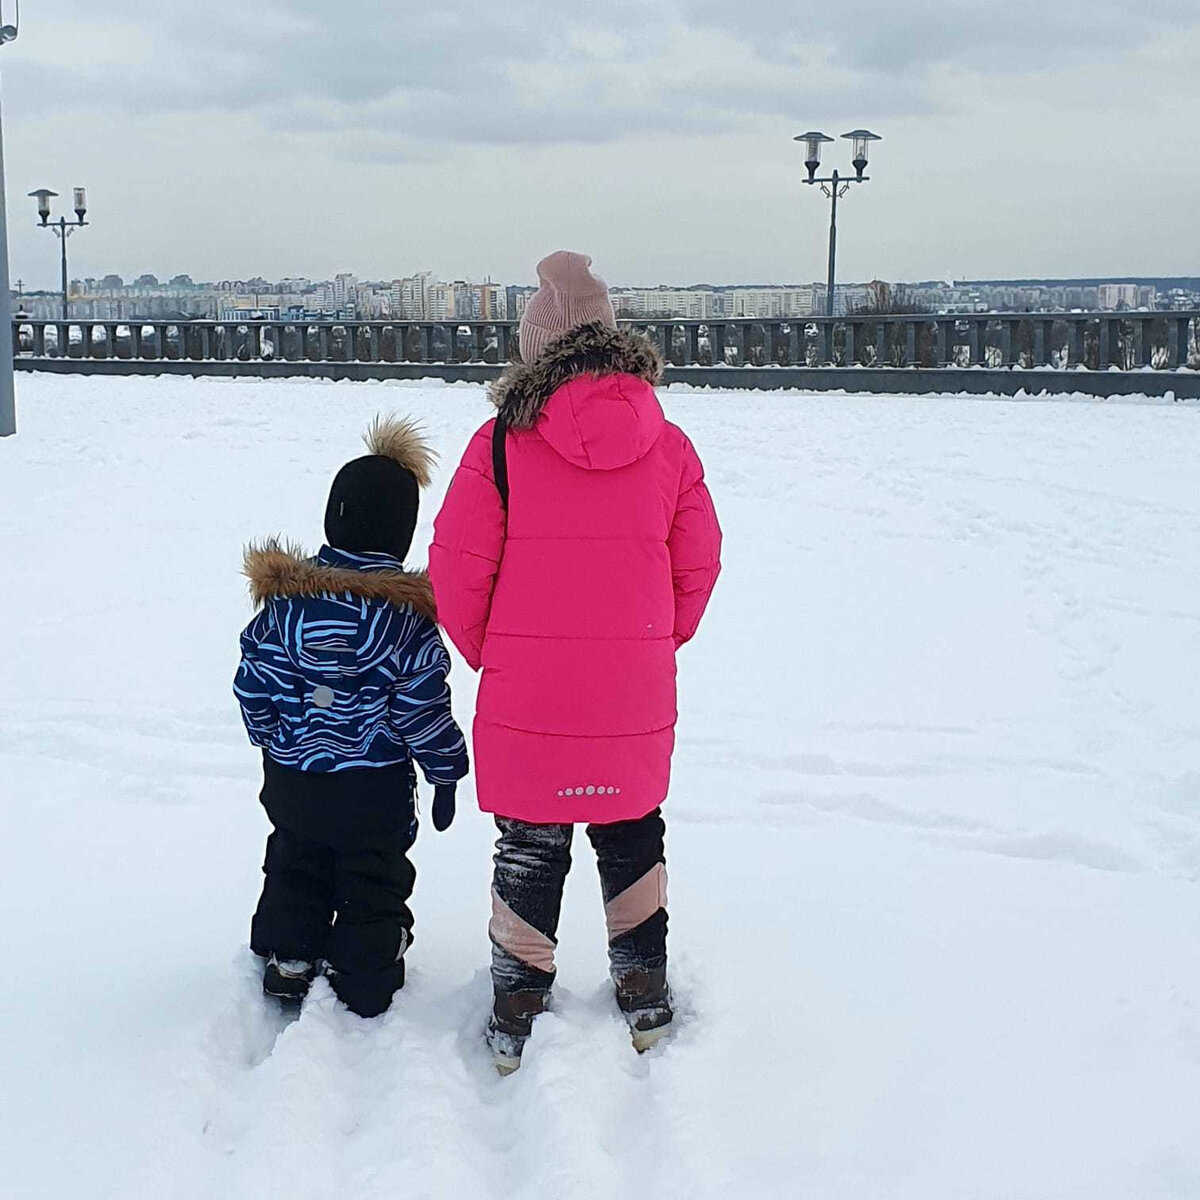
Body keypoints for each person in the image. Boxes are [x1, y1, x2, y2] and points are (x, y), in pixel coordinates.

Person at [430, 251, 722, 1073]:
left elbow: (456, 570)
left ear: (537, 346)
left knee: (529, 846)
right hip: (632, 690)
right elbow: (699, 562)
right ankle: (645, 993)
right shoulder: (668, 443)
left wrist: (497, 655)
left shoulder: (499, 446)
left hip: (531, 691)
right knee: (632, 835)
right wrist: (651, 642)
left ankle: (517, 1006)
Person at [234, 416, 469, 1018]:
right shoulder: (406, 623)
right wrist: (445, 769)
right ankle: (366, 973)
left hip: (293, 777)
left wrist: (273, 736)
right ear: (400, 535)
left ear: (331, 520)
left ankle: (290, 957)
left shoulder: (282, 610)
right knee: (373, 873)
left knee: (296, 859)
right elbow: (421, 710)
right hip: (373, 786)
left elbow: (252, 682)